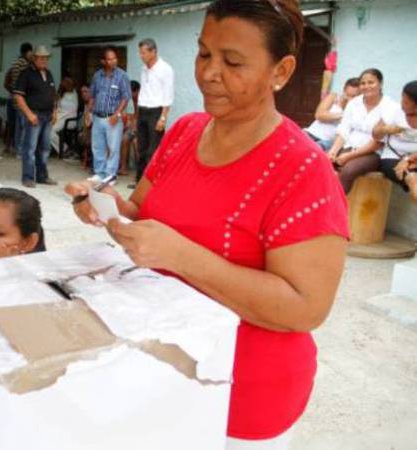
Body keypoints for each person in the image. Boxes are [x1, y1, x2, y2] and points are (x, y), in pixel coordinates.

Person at [66, 1, 348, 448]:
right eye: (203, 54)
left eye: (232, 62)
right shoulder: (184, 131)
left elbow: (305, 308)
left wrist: (181, 255)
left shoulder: (303, 169)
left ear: (282, 70)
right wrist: (108, 208)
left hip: (242, 394)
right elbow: (143, 215)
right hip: (159, 372)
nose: (209, 73)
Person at [327, 68, 399, 193]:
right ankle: (317, 202)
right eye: (363, 83)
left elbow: (378, 142)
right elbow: (344, 128)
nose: (366, 86)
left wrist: (348, 156)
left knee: (349, 170)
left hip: (372, 152)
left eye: (371, 82)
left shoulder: (391, 106)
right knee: (323, 161)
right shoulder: (354, 103)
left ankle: (335, 209)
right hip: (349, 145)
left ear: (380, 84)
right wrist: (333, 151)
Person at [14, 45, 58, 188]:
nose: (44, 60)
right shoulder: (26, 73)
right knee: (30, 148)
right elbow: (18, 96)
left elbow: (53, 94)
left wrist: (55, 111)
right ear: (34, 58)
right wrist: (29, 114)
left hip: (47, 115)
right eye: (41, 58)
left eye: (46, 58)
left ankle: (42, 176)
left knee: (45, 148)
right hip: (34, 114)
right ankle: (27, 177)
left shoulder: (49, 73)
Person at [135, 38, 174, 188]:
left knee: (154, 150)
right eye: (140, 53)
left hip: (156, 113)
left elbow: (168, 96)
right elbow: (143, 92)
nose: (141, 56)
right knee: (141, 148)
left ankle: (152, 184)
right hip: (143, 111)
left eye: (144, 53)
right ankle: (139, 182)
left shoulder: (165, 69)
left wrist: (163, 118)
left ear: (153, 52)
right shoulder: (143, 68)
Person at [88, 46, 131, 184]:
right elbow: (92, 96)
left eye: (115, 58)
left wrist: (117, 114)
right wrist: (88, 113)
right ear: (103, 61)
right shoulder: (97, 76)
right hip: (97, 117)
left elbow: (126, 97)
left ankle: (111, 175)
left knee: (113, 148)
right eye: (110, 59)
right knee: (97, 147)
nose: (113, 61)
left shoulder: (122, 76)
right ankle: (100, 173)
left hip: (113, 118)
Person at [373, 80, 417, 201]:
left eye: (406, 102)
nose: (402, 103)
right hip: (392, 156)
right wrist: (384, 129)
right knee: (410, 178)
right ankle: (411, 178)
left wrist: (408, 160)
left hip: (414, 158)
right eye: (402, 98)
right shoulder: (393, 111)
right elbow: (375, 135)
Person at [304, 77, 360, 151]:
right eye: (347, 94)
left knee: (311, 151)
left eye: (353, 96)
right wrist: (342, 115)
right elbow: (319, 115)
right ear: (344, 90)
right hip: (311, 133)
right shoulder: (334, 97)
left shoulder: (359, 108)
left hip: (328, 142)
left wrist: (330, 115)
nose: (349, 99)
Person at [3, 42, 34, 155]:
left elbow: (8, 80)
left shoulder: (15, 63)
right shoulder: (24, 64)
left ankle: (15, 148)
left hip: (14, 98)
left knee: (15, 126)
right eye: (31, 53)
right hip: (22, 99)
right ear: (27, 52)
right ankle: (20, 150)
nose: (32, 55)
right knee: (22, 126)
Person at [50, 76, 79, 155]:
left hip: (68, 119)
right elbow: (56, 106)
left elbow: (67, 110)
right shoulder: (61, 94)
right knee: (45, 128)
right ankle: (56, 149)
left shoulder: (73, 95)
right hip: (59, 117)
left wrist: (56, 116)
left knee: (50, 131)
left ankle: (64, 149)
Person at [120, 80, 141, 177]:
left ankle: (140, 172)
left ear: (137, 91)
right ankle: (123, 168)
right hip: (136, 125)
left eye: (131, 92)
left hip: (143, 128)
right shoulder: (134, 98)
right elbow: (136, 113)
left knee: (136, 143)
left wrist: (135, 126)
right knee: (124, 139)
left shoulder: (143, 98)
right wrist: (132, 122)